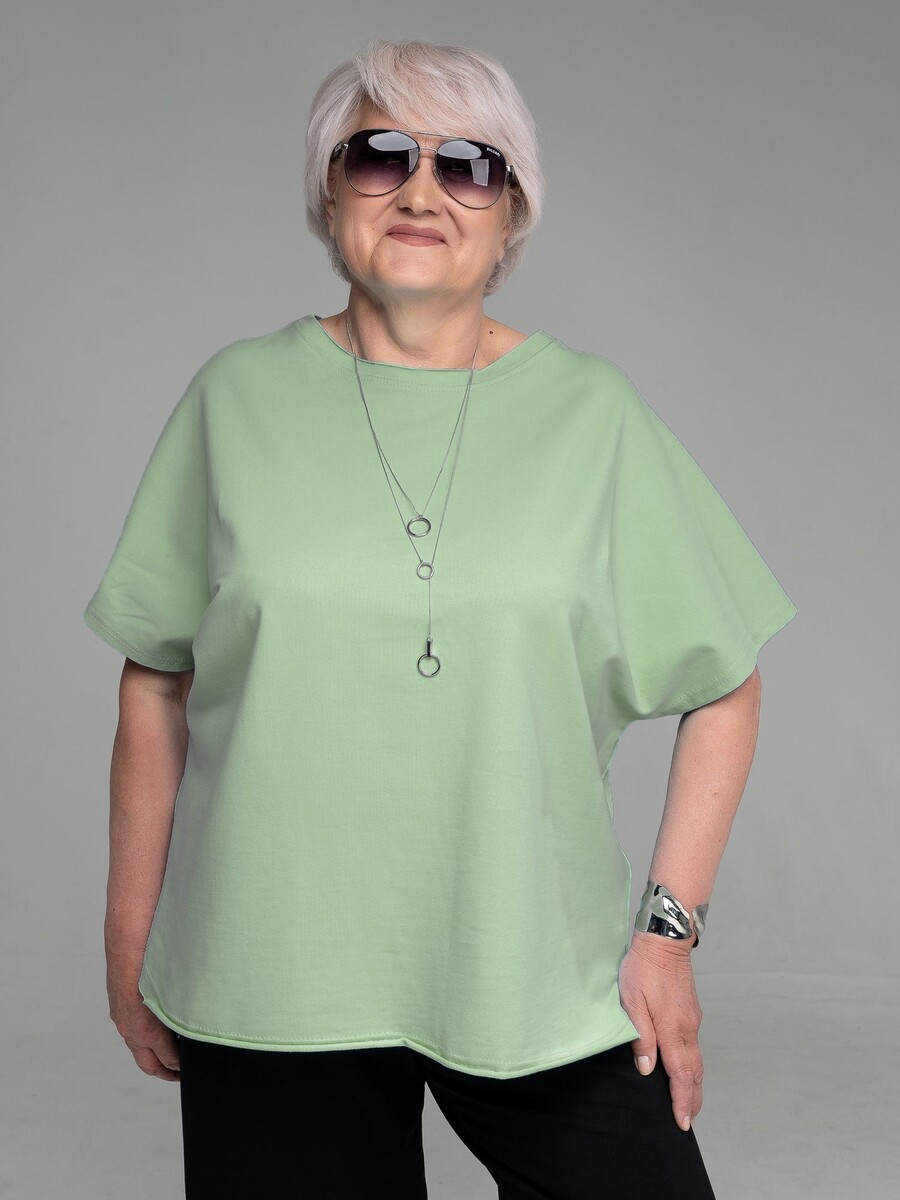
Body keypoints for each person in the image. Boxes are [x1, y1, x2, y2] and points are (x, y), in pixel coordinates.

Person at [82, 36, 797, 1200]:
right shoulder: (233, 399)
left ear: (510, 214)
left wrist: (666, 939)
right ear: (331, 192)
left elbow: (726, 682)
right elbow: (156, 680)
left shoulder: (592, 416)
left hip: (534, 967)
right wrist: (128, 939)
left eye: (469, 165)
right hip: (271, 977)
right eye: (380, 155)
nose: (422, 190)